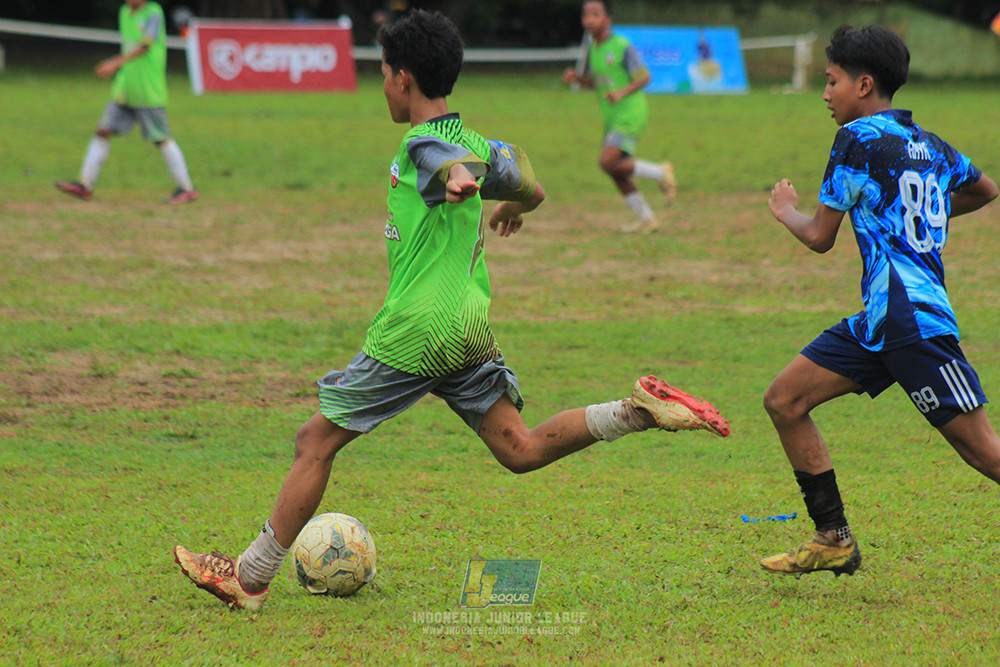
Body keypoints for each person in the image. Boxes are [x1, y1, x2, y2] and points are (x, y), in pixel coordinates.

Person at [173, 9, 730, 611]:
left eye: (384, 74)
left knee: (315, 439)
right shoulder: (479, 142)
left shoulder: (421, 142)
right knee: (519, 448)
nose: (383, 86)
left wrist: (460, 181)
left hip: (418, 329)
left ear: (404, 78)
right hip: (467, 325)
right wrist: (510, 204)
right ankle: (636, 411)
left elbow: (442, 162)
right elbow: (533, 186)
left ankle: (250, 578)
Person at [762, 24, 1000, 576]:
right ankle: (833, 537)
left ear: (864, 84)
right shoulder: (929, 144)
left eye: (832, 81)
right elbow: (986, 189)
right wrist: (924, 209)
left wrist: (785, 211)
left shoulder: (856, 139)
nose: (826, 93)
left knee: (982, 450)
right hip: (879, 320)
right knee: (785, 400)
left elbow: (820, 236)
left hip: (912, 320)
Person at [55, 0, 197, 204]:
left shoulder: (153, 12)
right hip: (125, 89)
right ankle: (85, 184)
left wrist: (115, 63)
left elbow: (145, 46)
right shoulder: (124, 12)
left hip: (147, 90)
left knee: (161, 138)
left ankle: (186, 189)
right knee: (102, 131)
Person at [562, 0, 675, 234]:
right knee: (615, 169)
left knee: (607, 162)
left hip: (630, 113)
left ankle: (660, 172)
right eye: (586, 15)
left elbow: (644, 77)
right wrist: (578, 79)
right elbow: (597, 83)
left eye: (596, 14)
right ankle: (646, 219)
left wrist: (621, 93)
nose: (589, 20)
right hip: (612, 116)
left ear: (608, 19)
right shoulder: (594, 48)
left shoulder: (622, 46)